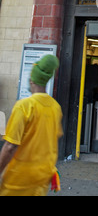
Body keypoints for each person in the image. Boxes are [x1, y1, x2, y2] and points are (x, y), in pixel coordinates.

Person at [0, 55, 63, 196]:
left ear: (32, 80)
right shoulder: (55, 107)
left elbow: (10, 146)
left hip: (19, 179)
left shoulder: (23, 106)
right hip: (42, 177)